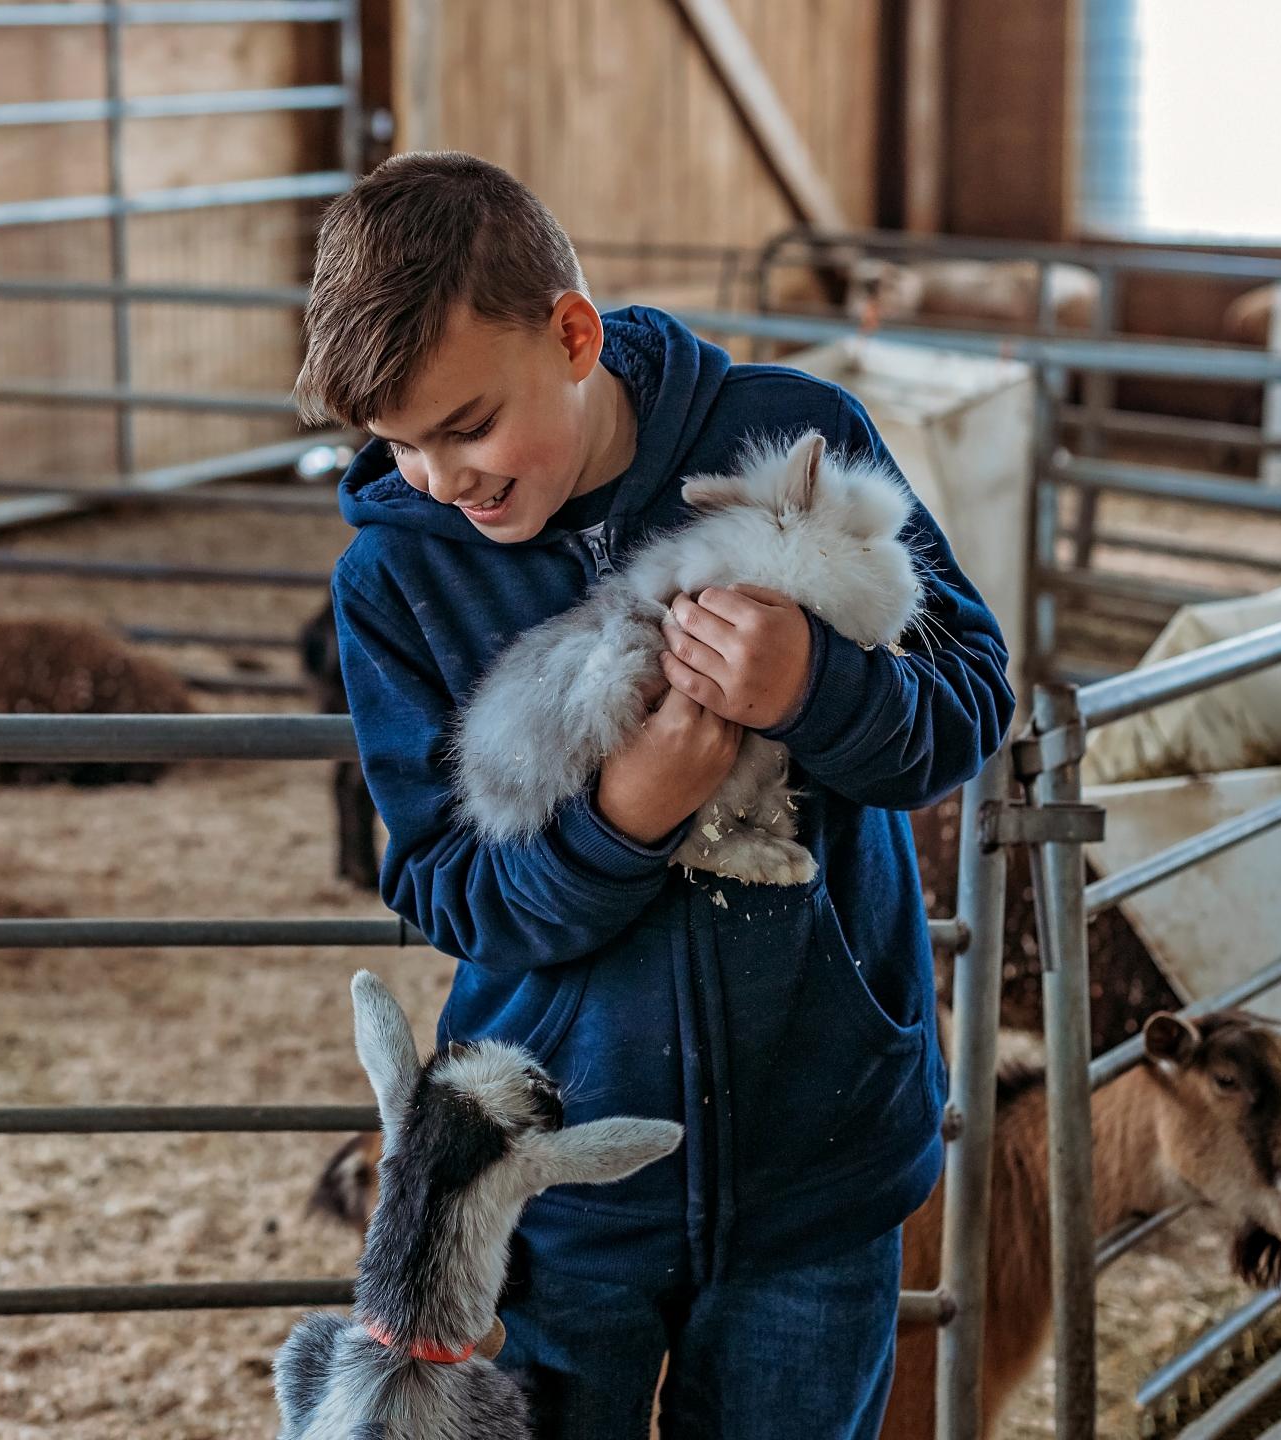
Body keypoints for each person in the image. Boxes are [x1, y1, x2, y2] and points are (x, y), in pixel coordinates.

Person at [300, 151, 1013, 1438]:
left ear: (573, 334)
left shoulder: (794, 436)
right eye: (395, 446)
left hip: (818, 1166)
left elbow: (970, 700)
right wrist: (625, 817)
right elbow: (444, 887)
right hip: (557, 1189)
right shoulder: (394, 582)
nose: (439, 480)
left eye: (465, 425)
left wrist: (816, 690)